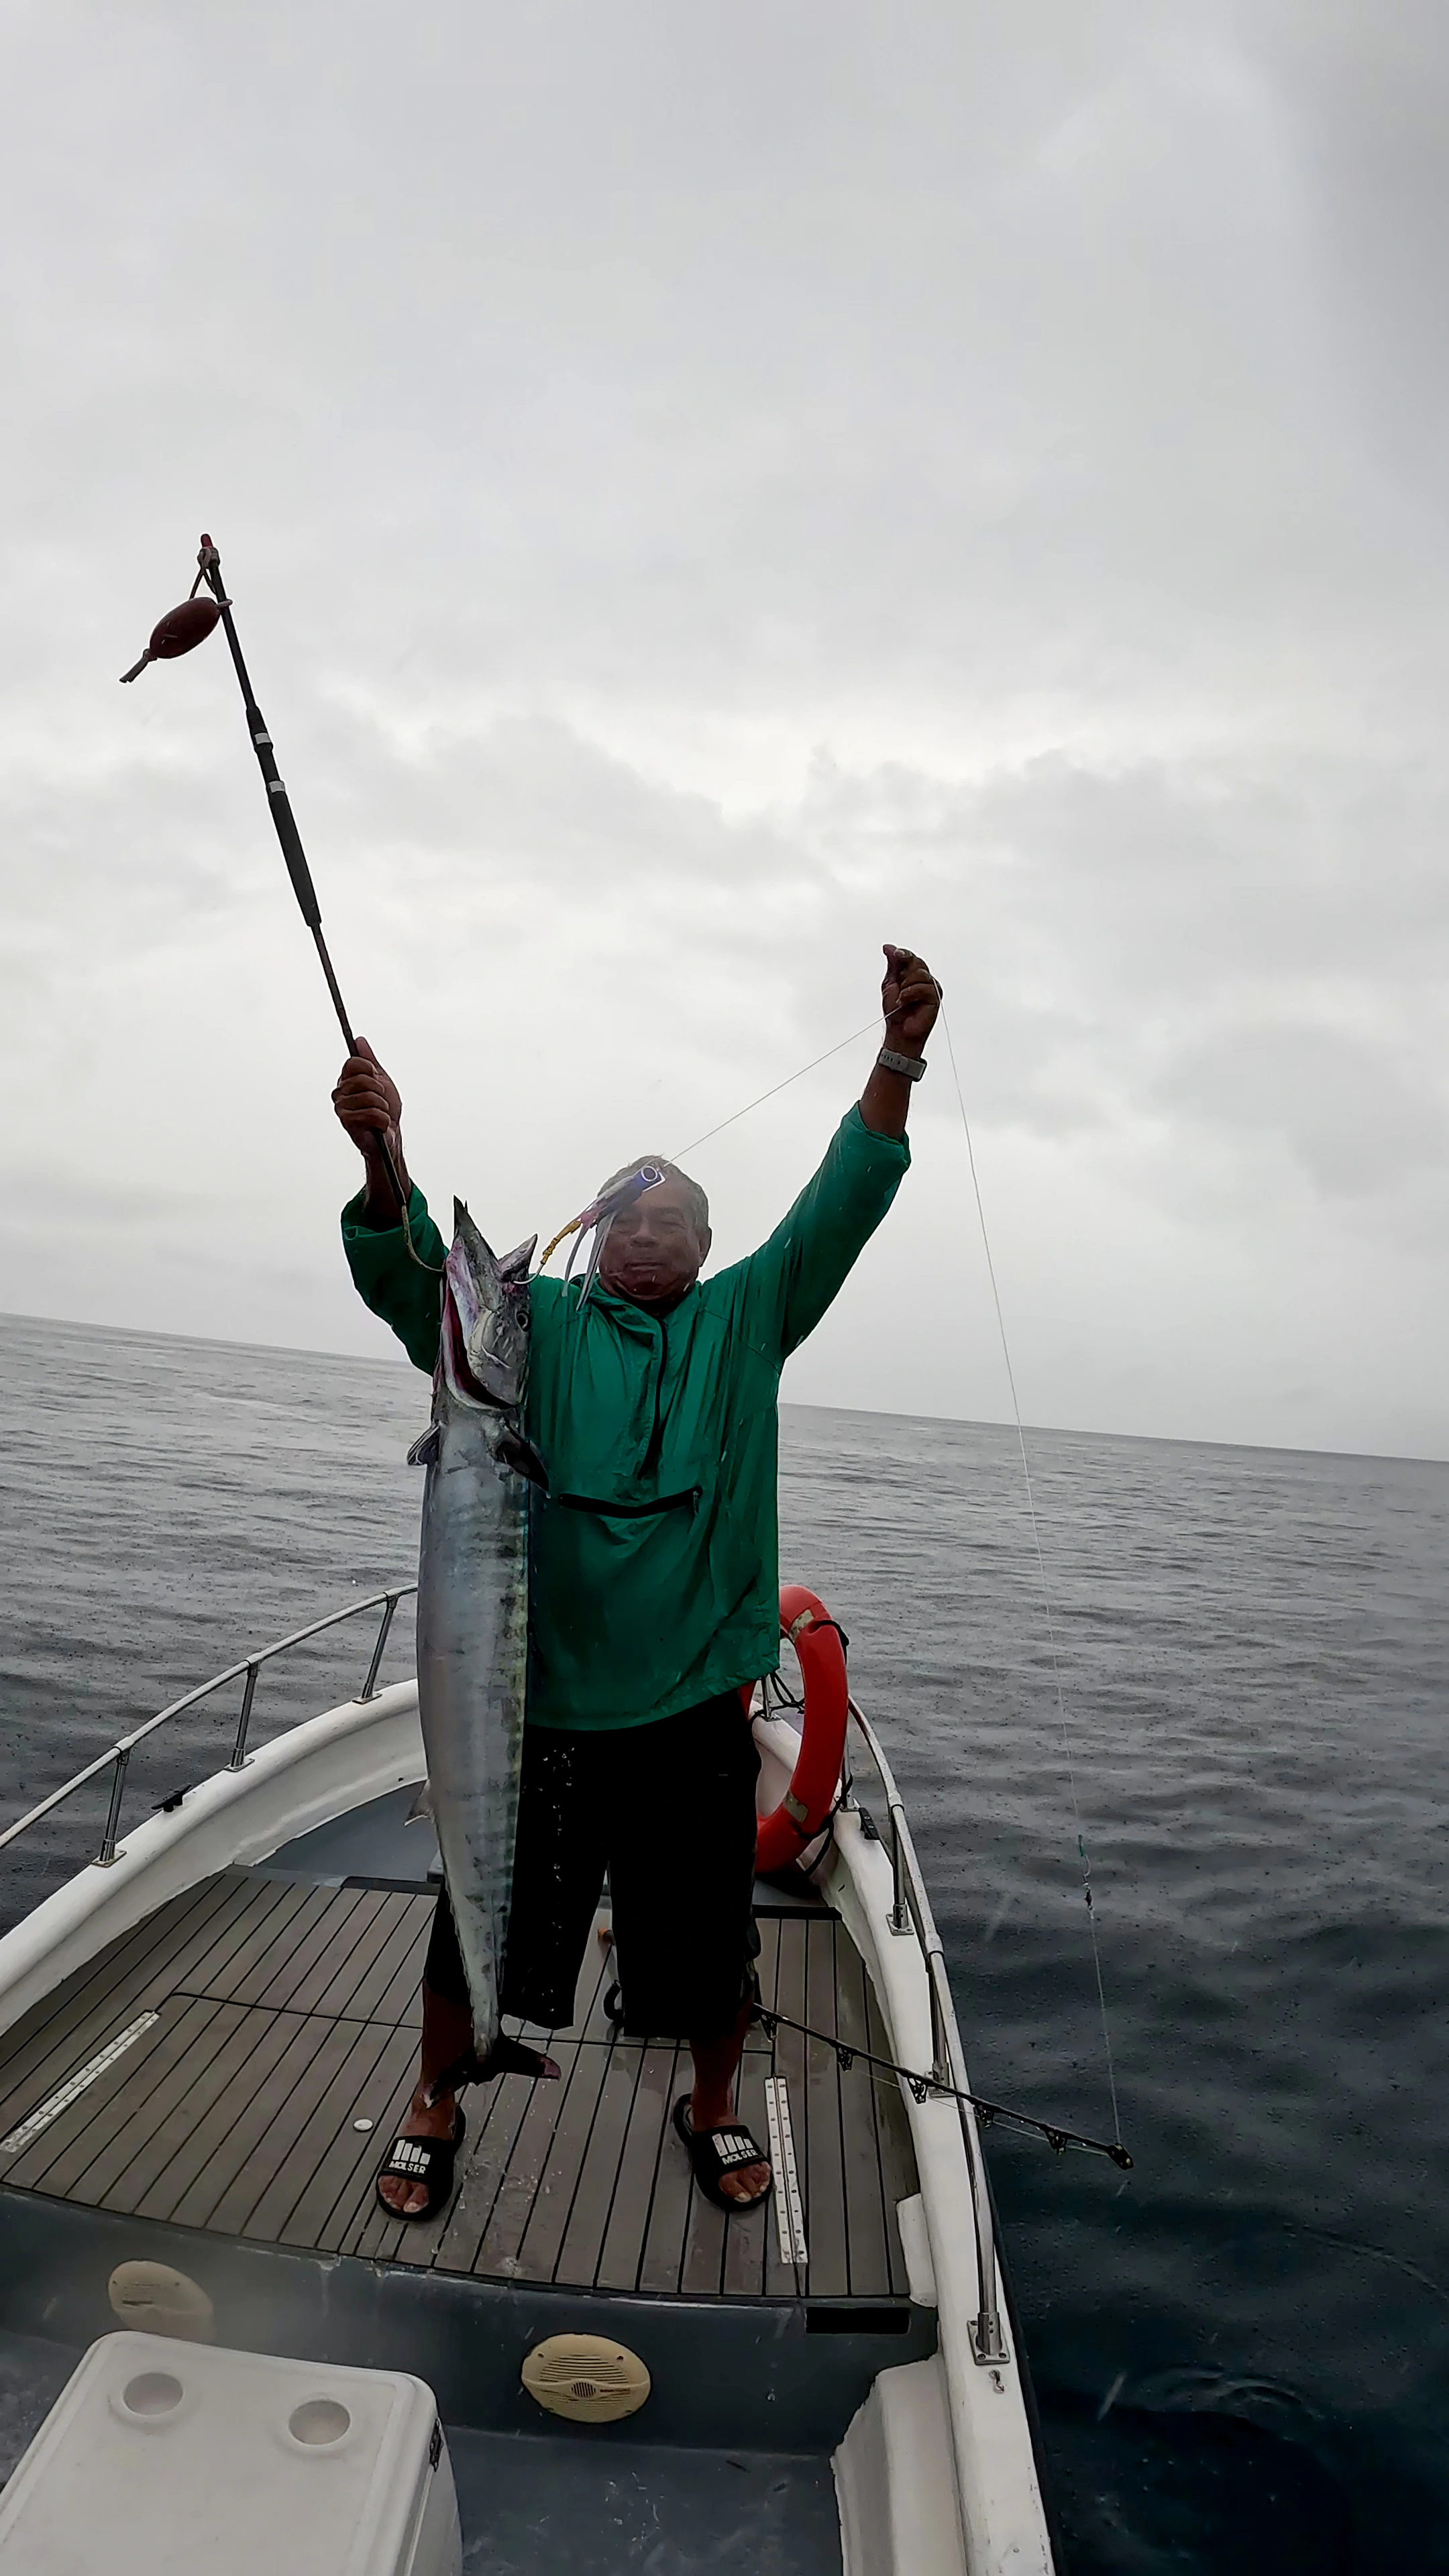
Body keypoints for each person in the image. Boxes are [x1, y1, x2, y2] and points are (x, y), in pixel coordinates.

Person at [335, 944, 941, 2220]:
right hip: (537, 1711)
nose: (649, 1237)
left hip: (695, 1709)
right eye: (631, 1221)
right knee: (475, 1926)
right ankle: (437, 2097)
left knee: (715, 1949)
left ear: (707, 1249)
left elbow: (844, 1200)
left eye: (675, 1225)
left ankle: (710, 2104)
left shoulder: (747, 1319)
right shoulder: (534, 1324)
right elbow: (410, 1285)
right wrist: (384, 1159)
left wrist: (894, 1058)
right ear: (598, 1237)